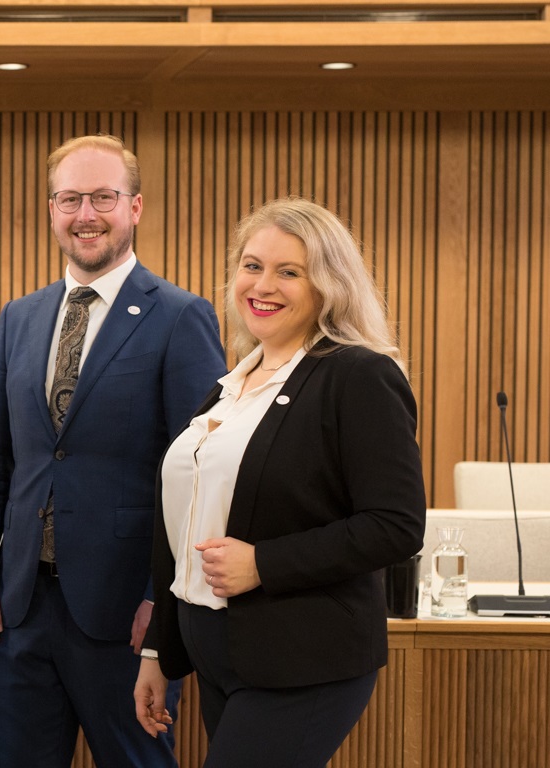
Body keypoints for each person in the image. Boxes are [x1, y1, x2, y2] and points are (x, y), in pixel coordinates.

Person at [0, 133, 226, 767]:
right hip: (21, 608)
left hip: (126, 614)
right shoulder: (20, 317)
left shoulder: (180, 317)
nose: (86, 215)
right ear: (51, 209)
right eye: (69, 198)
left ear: (135, 207)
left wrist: (165, 603)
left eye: (103, 197)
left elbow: (199, 477)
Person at [133, 197, 426, 767]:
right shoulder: (231, 385)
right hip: (218, 652)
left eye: (289, 272)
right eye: (252, 265)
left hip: (303, 658)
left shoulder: (358, 374)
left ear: (328, 286)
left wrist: (263, 563)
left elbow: (396, 527)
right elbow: (181, 525)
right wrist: (157, 652)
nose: (262, 285)